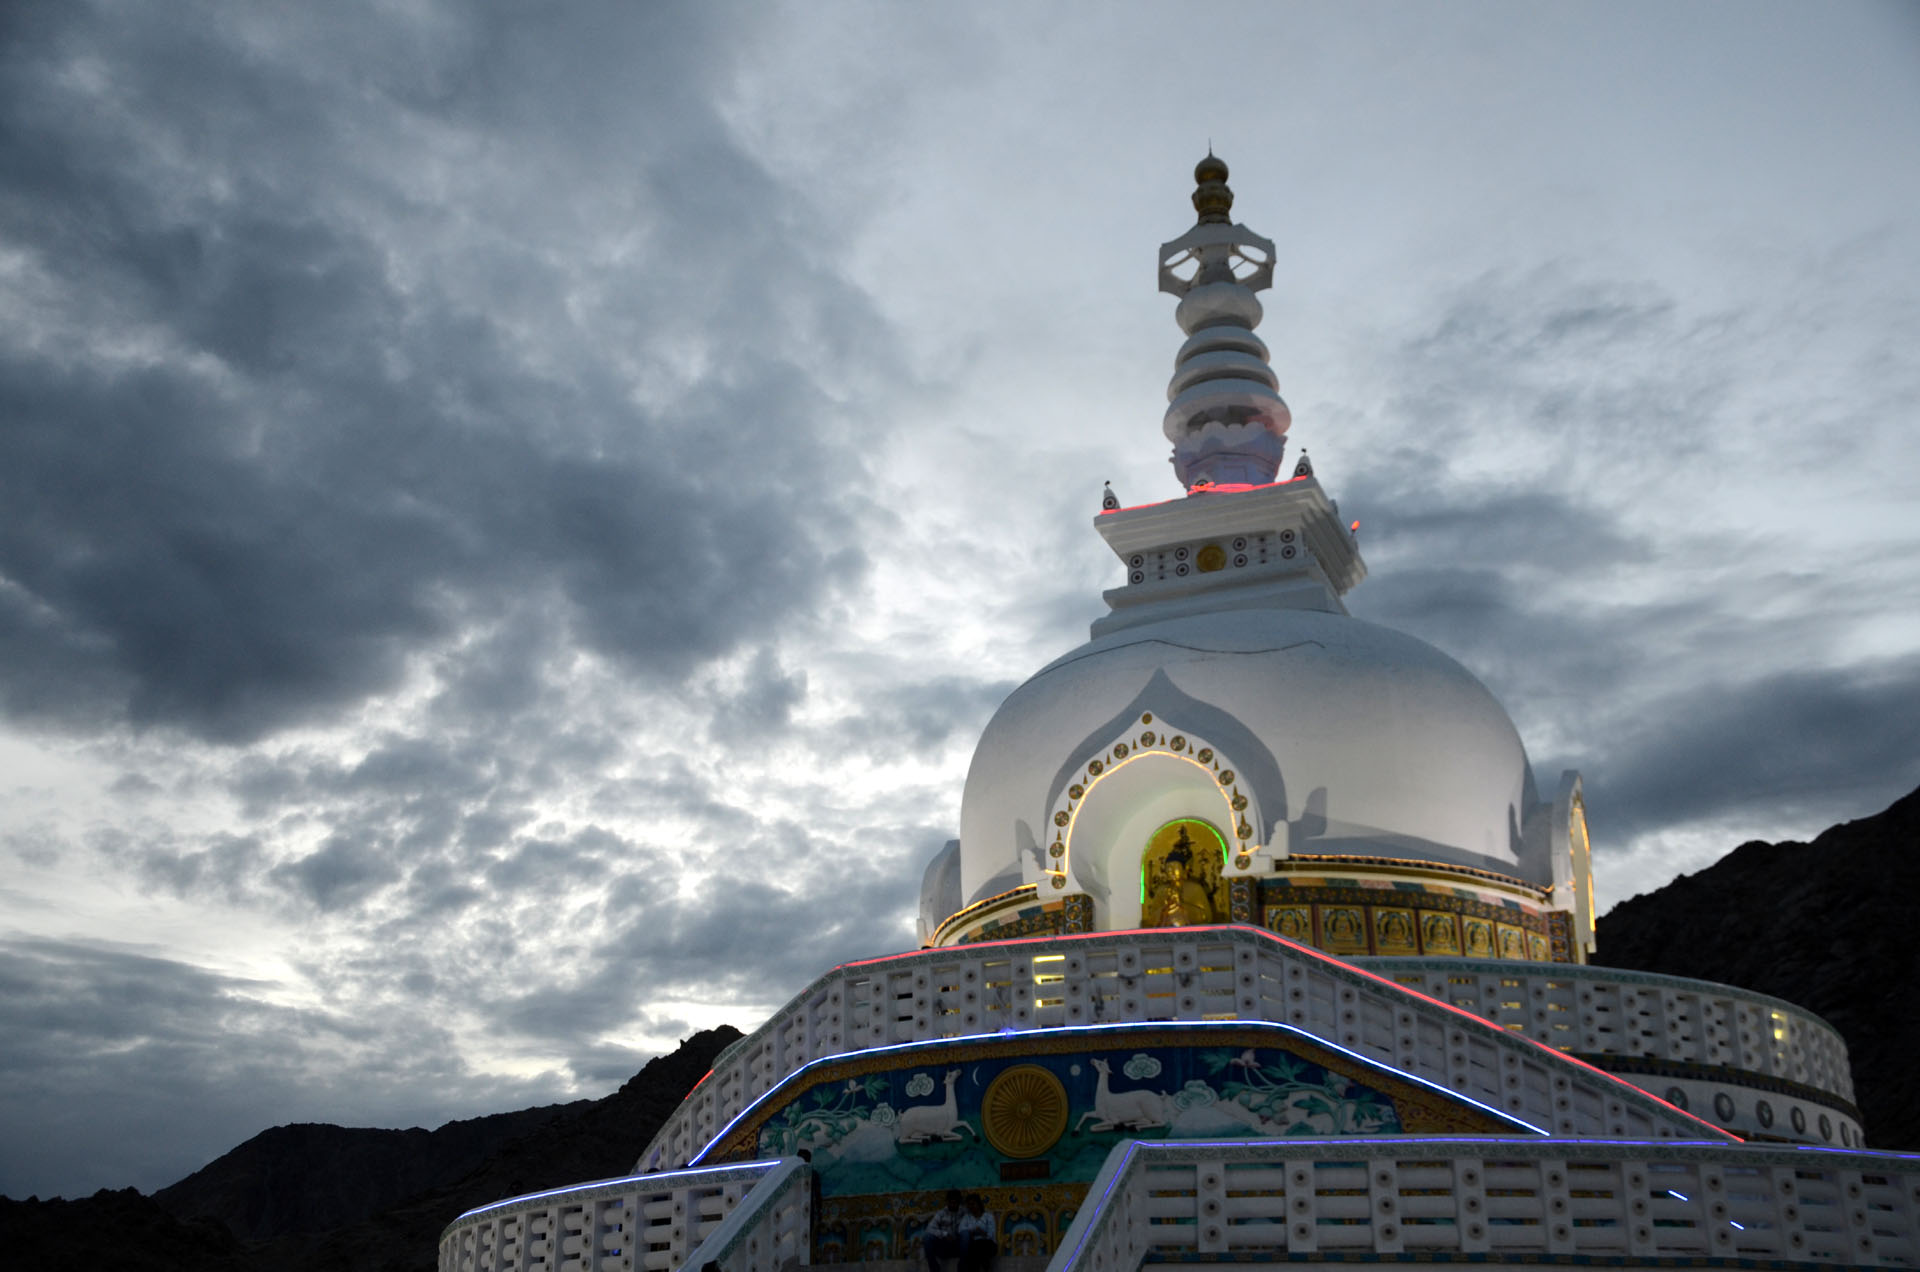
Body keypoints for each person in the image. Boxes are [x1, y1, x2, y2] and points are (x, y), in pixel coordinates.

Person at [922, 1189, 966, 1272]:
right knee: (927, 1238)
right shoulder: (941, 1213)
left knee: (965, 1235)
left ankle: (962, 1267)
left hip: (958, 1246)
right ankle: (934, 1269)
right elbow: (929, 1229)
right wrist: (944, 1234)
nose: (952, 1205)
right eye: (950, 1202)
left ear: (959, 1202)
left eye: (955, 1202)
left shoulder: (964, 1212)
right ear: (947, 1201)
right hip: (944, 1246)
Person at [958, 1193, 997, 1272]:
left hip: (988, 1245)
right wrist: (974, 1231)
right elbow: (961, 1230)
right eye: (968, 1205)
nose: (971, 1207)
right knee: (974, 1249)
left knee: (978, 1248)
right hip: (973, 1245)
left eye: (973, 1204)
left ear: (979, 1204)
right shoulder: (967, 1217)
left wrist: (982, 1233)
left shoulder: (988, 1217)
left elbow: (991, 1235)